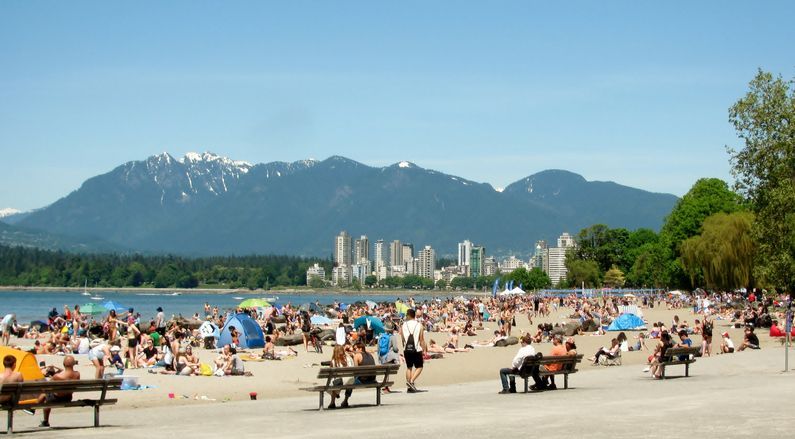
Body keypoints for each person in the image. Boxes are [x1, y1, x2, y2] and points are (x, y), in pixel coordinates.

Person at [36, 355, 80, 428]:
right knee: (47, 395)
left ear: (64, 364)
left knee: (45, 395)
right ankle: (34, 410)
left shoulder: (57, 376)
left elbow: (47, 385)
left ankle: (43, 419)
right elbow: (68, 373)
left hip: (56, 398)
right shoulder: (77, 374)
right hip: (68, 397)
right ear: (74, 364)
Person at [401, 308, 427, 393]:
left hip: (406, 348)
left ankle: (409, 387)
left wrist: (404, 347)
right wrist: (424, 350)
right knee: (419, 366)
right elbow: (421, 339)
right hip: (416, 349)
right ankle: (411, 381)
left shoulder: (403, 325)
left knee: (409, 367)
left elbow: (403, 339)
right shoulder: (419, 325)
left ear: (408, 315)